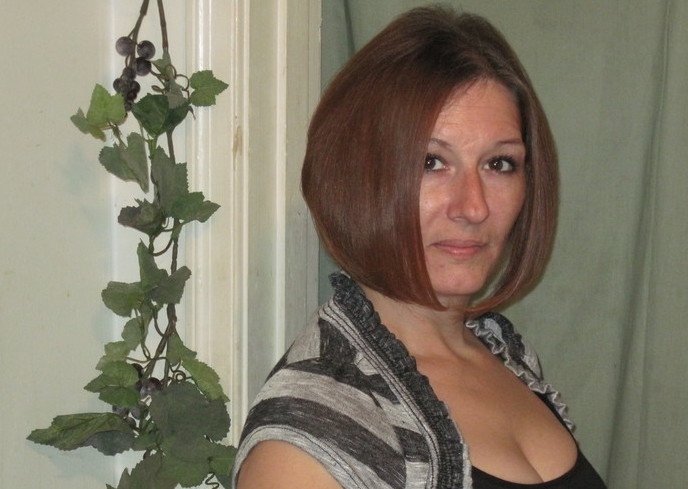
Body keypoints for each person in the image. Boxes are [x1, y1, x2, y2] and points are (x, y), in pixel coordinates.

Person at [232, 6, 607, 489]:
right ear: (356, 176)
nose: (473, 207)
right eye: (432, 162)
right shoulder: (307, 440)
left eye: (499, 164)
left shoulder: (504, 352)